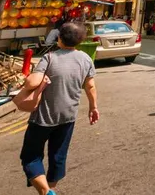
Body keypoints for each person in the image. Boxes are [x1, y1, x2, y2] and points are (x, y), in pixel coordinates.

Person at [19, 22, 98, 195]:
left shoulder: (50, 58)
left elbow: (31, 82)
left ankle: (46, 192)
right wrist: (93, 108)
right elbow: (90, 86)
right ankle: (51, 189)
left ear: (59, 38)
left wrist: (29, 80)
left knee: (30, 157)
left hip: (43, 118)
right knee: (58, 156)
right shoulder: (86, 59)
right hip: (68, 117)